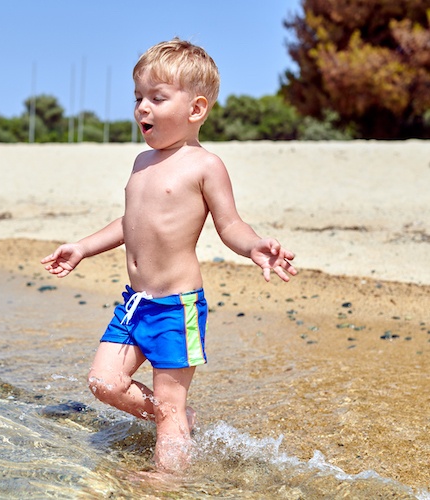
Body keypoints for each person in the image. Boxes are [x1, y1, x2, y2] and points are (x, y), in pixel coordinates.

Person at [40, 38, 297, 471]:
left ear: (196, 109)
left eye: (157, 98)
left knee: (168, 408)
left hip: (176, 308)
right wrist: (83, 247)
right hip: (134, 303)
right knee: (103, 382)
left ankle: (167, 480)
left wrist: (255, 246)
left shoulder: (205, 165)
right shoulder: (141, 162)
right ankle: (179, 419)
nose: (143, 108)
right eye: (138, 97)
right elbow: (129, 224)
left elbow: (229, 224)